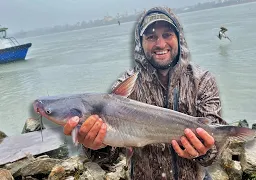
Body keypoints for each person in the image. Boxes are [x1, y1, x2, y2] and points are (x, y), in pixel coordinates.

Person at [64, 6, 227, 180]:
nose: (160, 44)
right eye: (151, 37)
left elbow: (213, 153)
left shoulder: (202, 80)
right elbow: (108, 157)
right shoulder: (125, 87)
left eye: (167, 35)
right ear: (140, 43)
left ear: (179, 38)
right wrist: (95, 145)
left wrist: (203, 151)